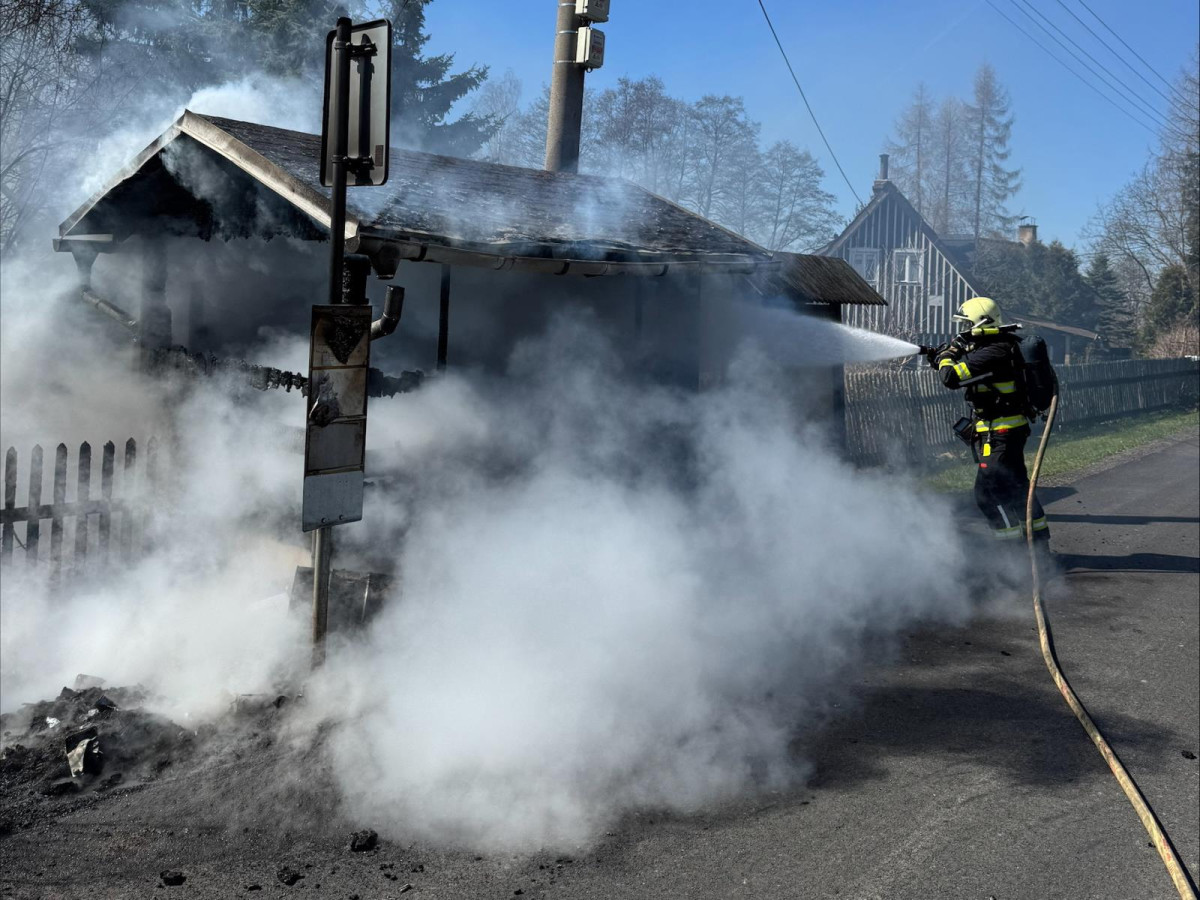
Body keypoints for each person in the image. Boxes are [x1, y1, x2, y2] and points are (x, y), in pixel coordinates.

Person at [932, 297, 1051, 547]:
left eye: (966, 324)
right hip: (1005, 431)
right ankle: (1038, 548)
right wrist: (942, 357)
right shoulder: (1001, 346)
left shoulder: (994, 351)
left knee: (987, 494)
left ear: (981, 323)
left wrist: (948, 355)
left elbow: (950, 377)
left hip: (1001, 433)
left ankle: (1012, 553)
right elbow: (967, 371)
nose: (963, 330)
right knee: (1017, 488)